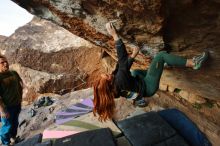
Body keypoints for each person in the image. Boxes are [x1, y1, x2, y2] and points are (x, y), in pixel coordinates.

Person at [93, 22, 209, 122]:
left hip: (137, 83)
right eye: (107, 76)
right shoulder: (119, 80)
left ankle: (156, 72)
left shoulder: (114, 85)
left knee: (133, 72)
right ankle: (193, 63)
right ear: (109, 83)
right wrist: (115, 36)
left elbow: (122, 68)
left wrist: (133, 55)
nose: (108, 74)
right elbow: (122, 60)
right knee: (161, 56)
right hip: (148, 87)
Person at [0, 55, 23, 146]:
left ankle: (13, 138)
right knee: (7, 126)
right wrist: (2, 110)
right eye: (2, 62)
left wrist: (20, 99)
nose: (5, 64)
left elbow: (20, 84)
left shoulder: (13, 73)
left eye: (6, 61)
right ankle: (5, 143)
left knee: (15, 123)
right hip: (6, 107)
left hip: (16, 104)